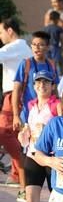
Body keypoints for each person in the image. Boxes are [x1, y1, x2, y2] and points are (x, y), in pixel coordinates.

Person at [12, 71, 62, 202]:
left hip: (51, 157)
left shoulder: (57, 106)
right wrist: (23, 134)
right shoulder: (30, 106)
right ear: (34, 86)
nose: (42, 86)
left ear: (52, 86)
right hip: (32, 155)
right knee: (31, 200)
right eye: (39, 83)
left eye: (46, 83)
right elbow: (27, 129)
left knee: (58, 200)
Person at [0, 17, 33, 188]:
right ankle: (16, 174)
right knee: (13, 134)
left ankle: (22, 170)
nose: (0, 36)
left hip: (14, 94)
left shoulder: (14, 47)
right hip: (18, 93)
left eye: (1, 32)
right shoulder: (23, 47)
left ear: (10, 30)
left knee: (4, 131)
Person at [13, 31, 60, 126]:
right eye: (34, 44)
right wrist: (16, 115)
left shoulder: (52, 65)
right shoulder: (26, 64)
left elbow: (55, 91)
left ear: (48, 47)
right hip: (28, 113)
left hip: (48, 115)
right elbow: (16, 90)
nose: (36, 47)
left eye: (40, 45)